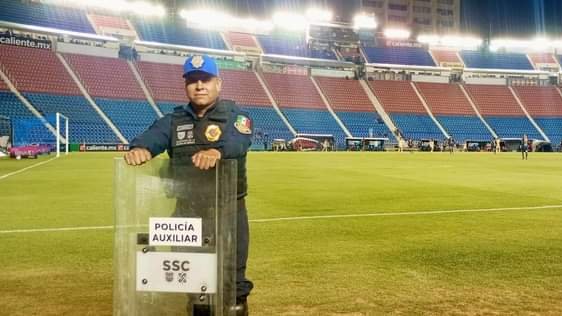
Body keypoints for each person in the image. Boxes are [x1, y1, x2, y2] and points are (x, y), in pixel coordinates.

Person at [124, 54, 252, 315]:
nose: (199, 85)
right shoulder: (174, 120)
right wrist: (141, 148)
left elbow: (240, 141)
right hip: (188, 212)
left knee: (233, 285)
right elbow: (152, 136)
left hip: (228, 211)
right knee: (194, 280)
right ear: (186, 87)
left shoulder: (235, 116)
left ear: (219, 83)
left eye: (206, 79)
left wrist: (218, 152)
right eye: (193, 81)